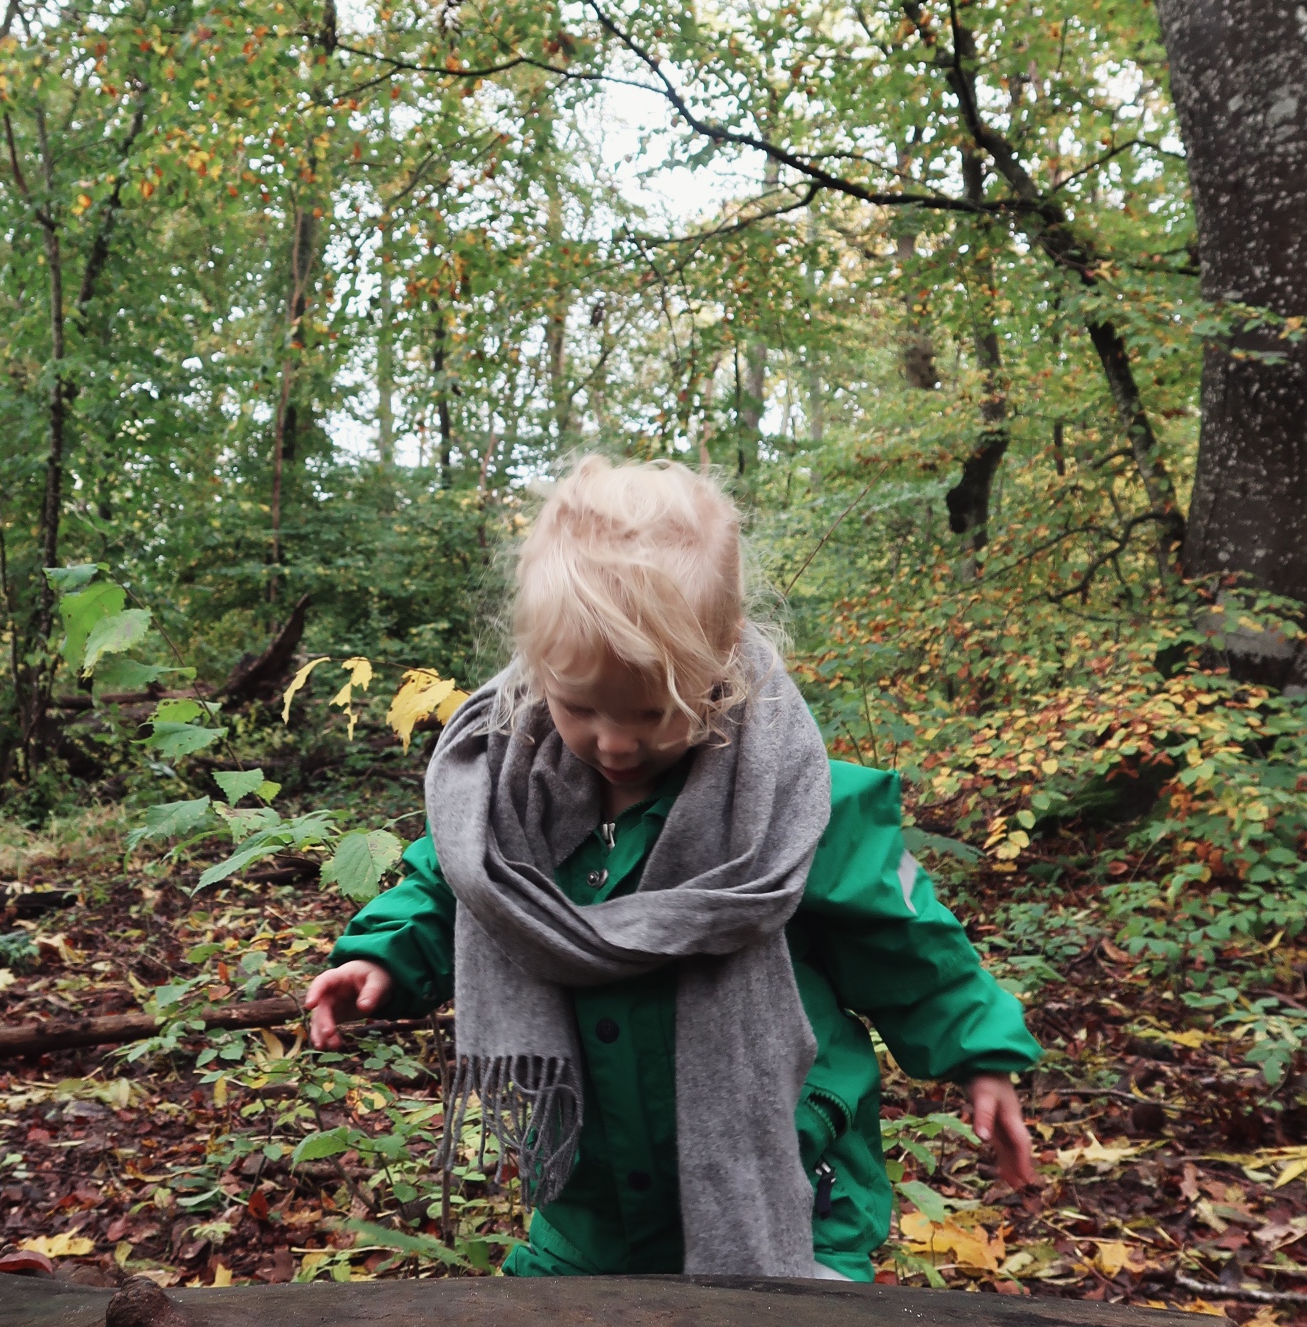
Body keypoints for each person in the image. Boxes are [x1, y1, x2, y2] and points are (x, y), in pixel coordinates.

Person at [305, 456, 1039, 1280]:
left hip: (790, 1197)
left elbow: (907, 939)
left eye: (654, 713)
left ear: (719, 659)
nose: (615, 743)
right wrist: (380, 956)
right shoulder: (510, 797)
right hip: (594, 1206)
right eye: (579, 708)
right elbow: (453, 886)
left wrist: (980, 1055)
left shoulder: (795, 806)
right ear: (538, 663)